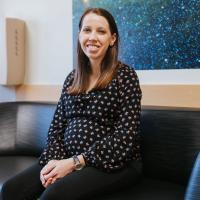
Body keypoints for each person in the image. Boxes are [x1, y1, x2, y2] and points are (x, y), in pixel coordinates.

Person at [1, 7, 142, 200]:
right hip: (67, 158)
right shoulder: (71, 79)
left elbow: (125, 136)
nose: (92, 37)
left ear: (112, 39)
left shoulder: (126, 76)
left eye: (101, 31)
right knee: (11, 189)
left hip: (113, 163)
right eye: (87, 30)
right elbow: (56, 129)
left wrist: (74, 163)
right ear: (80, 35)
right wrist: (54, 163)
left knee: (54, 195)